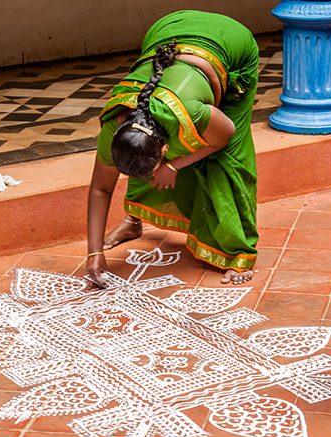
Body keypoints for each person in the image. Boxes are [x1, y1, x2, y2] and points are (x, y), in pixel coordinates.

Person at [85, 10, 261, 286]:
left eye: (164, 156)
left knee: (225, 160)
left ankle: (237, 252)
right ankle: (133, 221)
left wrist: (173, 166)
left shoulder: (192, 114)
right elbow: (100, 188)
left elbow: (224, 136)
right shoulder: (114, 128)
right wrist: (93, 253)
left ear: (166, 147)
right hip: (168, 29)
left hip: (231, 41)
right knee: (137, 157)